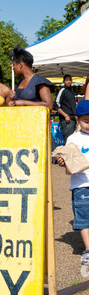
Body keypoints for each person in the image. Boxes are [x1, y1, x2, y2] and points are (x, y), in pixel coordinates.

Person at [57, 99, 89, 268]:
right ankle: (88, 249)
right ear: (77, 120)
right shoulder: (73, 138)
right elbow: (66, 158)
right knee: (84, 217)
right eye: (86, 121)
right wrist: (63, 162)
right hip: (81, 185)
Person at [9, 45, 54, 109]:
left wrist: (24, 103)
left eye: (14, 65)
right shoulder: (20, 83)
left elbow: (49, 105)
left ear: (20, 65)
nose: (13, 68)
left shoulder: (40, 82)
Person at [54, 74, 77, 144]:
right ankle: (66, 155)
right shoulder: (63, 90)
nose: (69, 81)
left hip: (73, 119)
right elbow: (56, 104)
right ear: (63, 81)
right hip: (67, 121)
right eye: (67, 80)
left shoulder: (72, 92)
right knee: (68, 141)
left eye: (70, 80)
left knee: (73, 142)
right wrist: (65, 115)